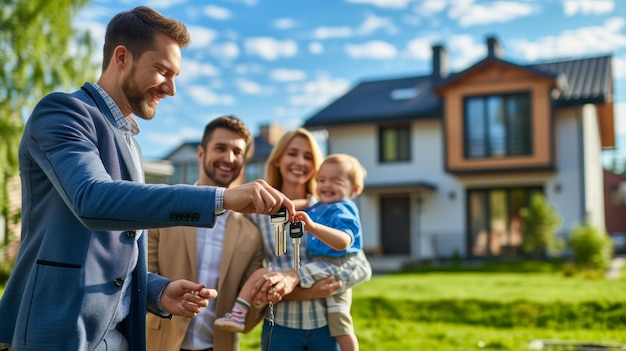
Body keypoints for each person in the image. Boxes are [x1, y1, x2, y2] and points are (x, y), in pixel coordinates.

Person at [0, 7, 293, 351]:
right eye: (162, 70)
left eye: (175, 75)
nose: (170, 88)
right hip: (58, 332)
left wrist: (157, 291)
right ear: (121, 57)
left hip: (120, 339)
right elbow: (92, 200)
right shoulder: (64, 112)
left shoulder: (132, 145)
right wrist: (221, 198)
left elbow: (111, 253)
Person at [232, 128, 372, 351]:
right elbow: (251, 278)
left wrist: (298, 277)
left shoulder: (332, 207)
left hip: (326, 326)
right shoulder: (258, 215)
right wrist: (303, 291)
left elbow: (361, 267)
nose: (300, 161)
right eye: (292, 153)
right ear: (277, 159)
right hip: (280, 326)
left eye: (308, 157)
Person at [146, 115, 266, 351]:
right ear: (201, 154)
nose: (229, 158)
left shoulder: (251, 233)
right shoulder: (166, 210)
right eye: (220, 148)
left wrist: (261, 299)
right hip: (159, 344)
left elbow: (248, 318)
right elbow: (141, 278)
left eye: (237, 152)